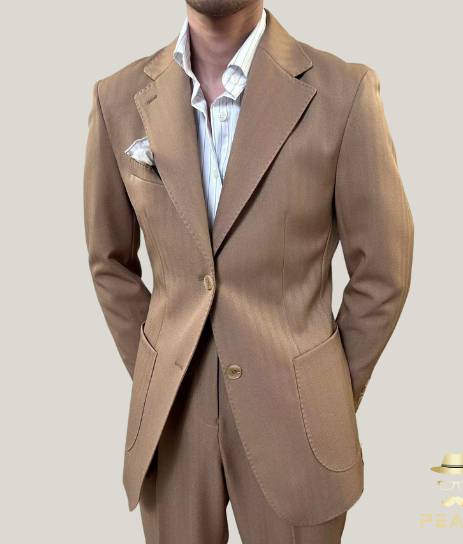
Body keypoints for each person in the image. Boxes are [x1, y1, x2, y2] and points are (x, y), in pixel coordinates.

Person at [83, 2, 414, 542]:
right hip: (171, 420)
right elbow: (108, 262)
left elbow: (384, 269)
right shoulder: (116, 97)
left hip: (297, 424)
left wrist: (322, 392)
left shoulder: (344, 92)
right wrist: (157, 370)